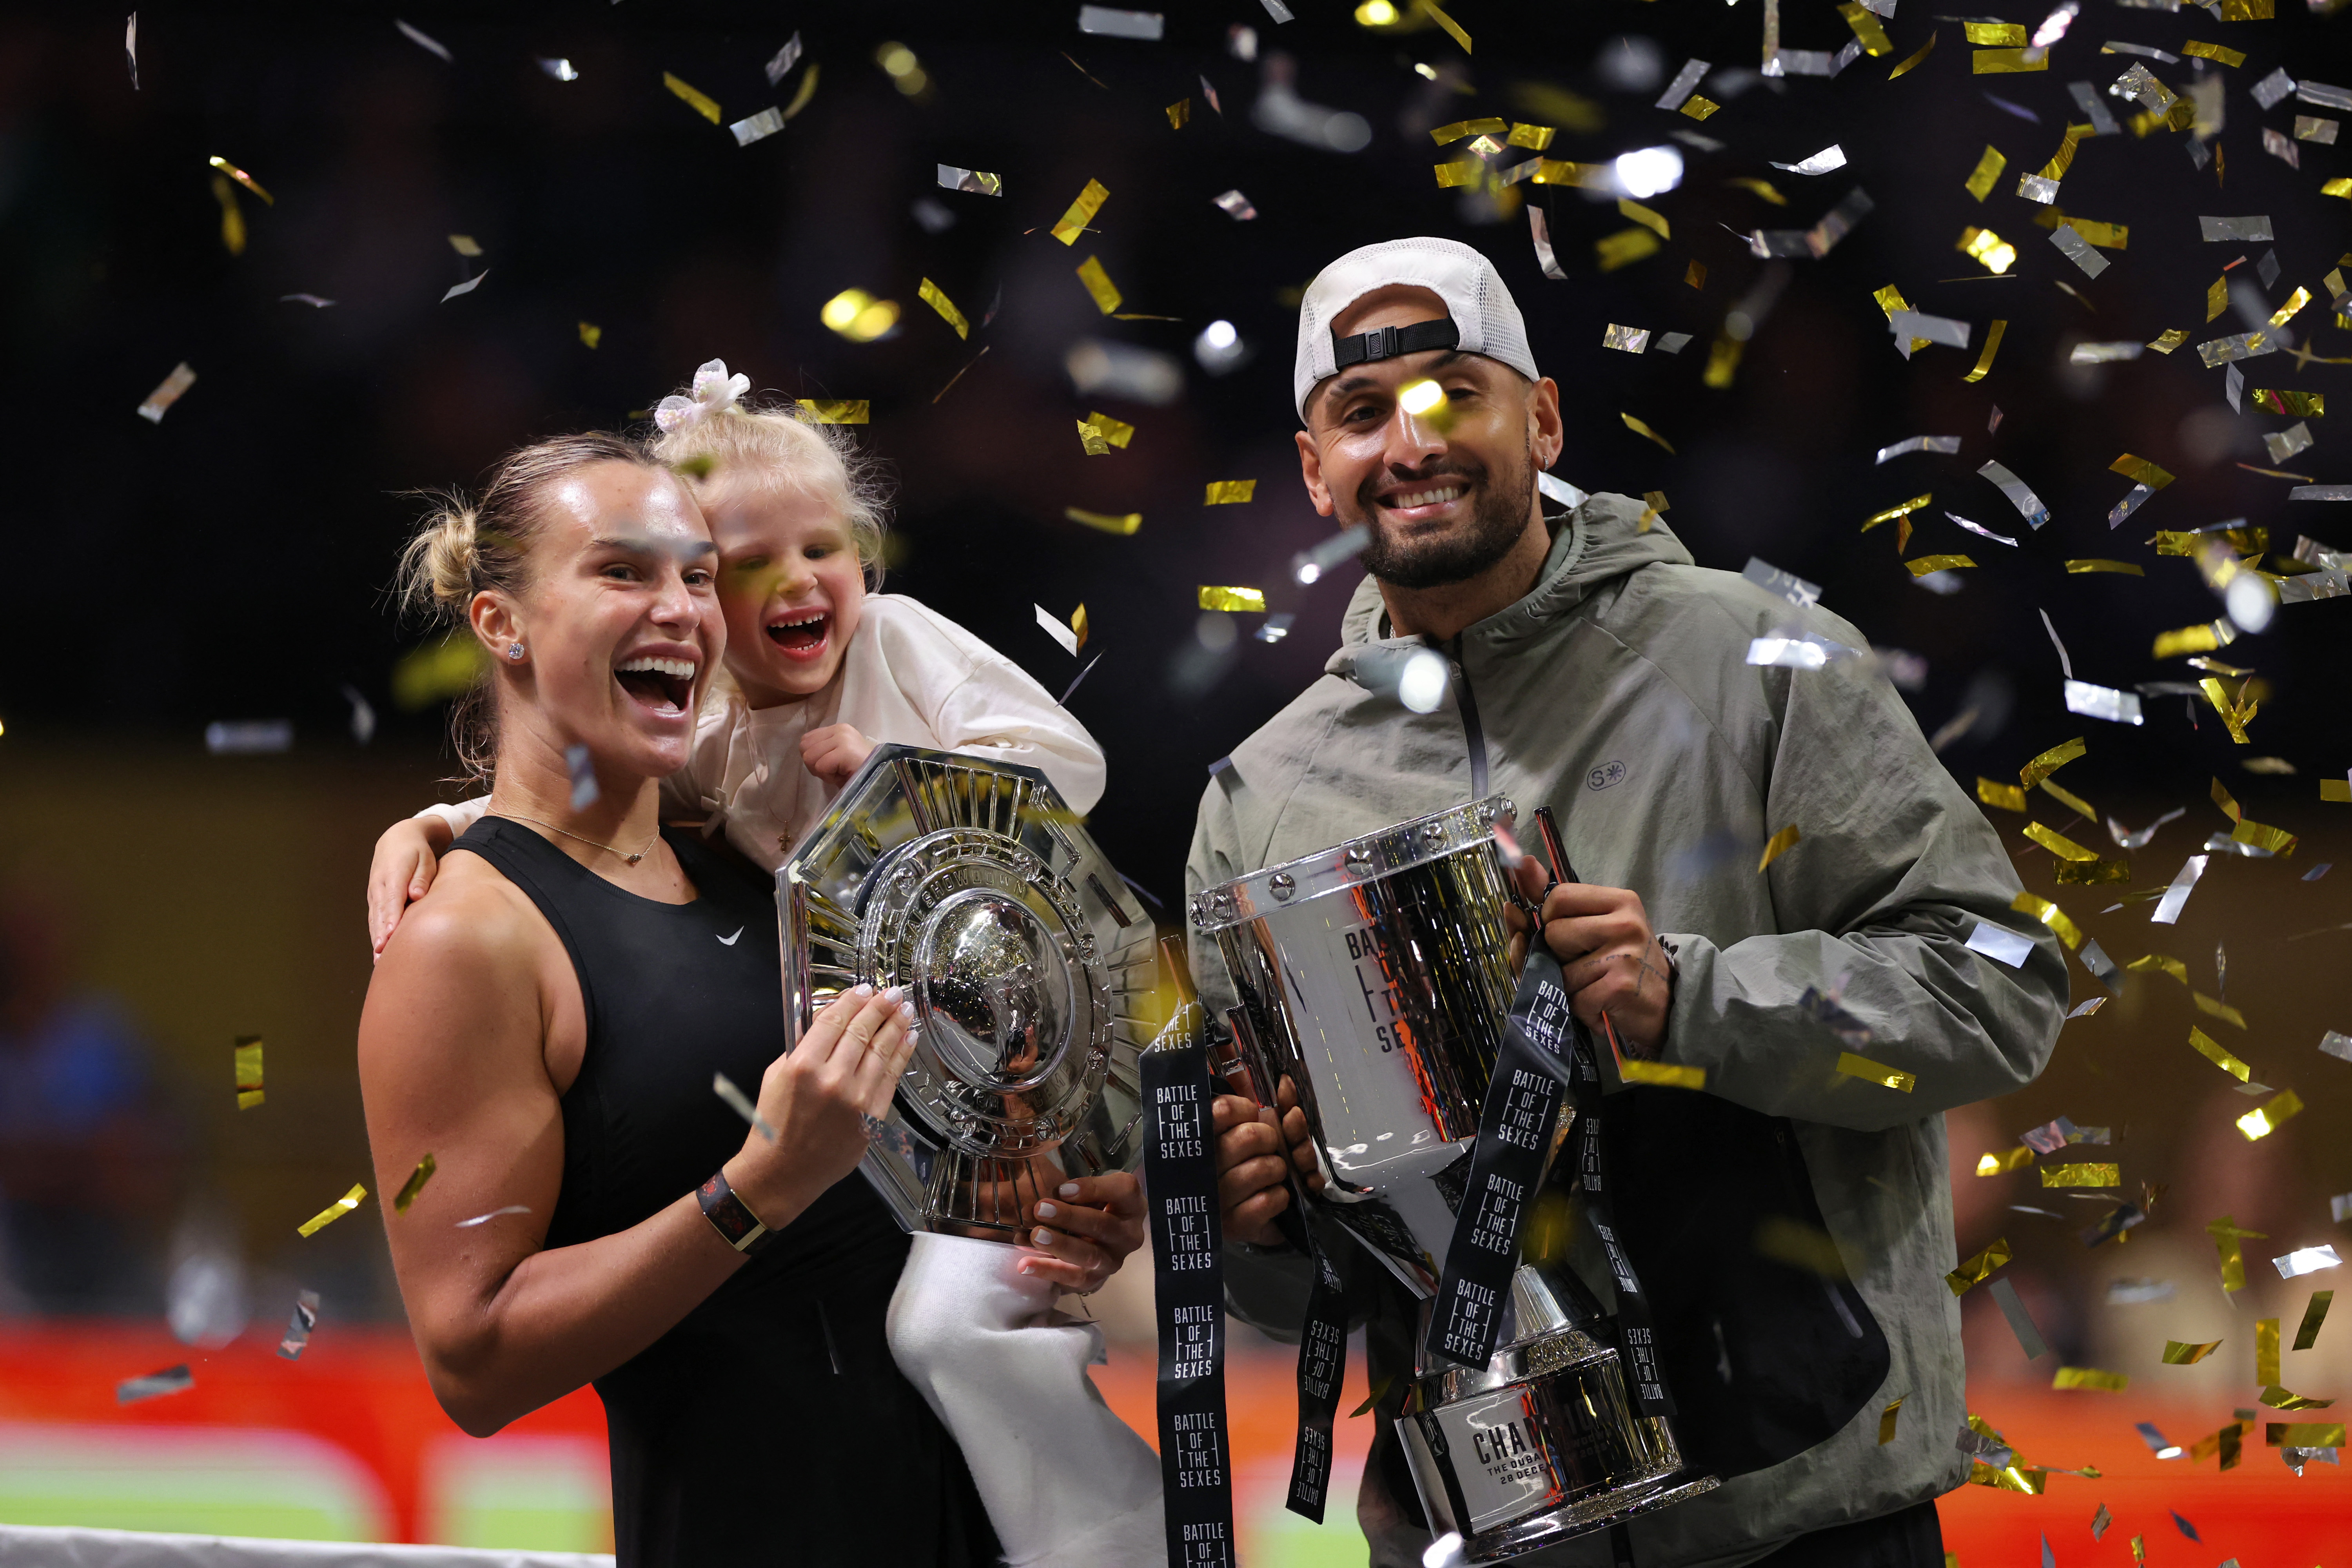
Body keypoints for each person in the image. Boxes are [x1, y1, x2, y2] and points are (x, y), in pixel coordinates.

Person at [1189, 238, 2066, 1566]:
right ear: (1316, 473)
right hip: (1482, 1533)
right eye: (1363, 414)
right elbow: (1298, 1285)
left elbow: (2000, 990)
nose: (1411, 443)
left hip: (1801, 1518)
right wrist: (1255, 1211)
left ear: (1542, 417)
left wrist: (1693, 999)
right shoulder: (1257, 802)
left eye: (1452, 394)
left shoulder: (1762, 666)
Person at [365, 379, 1161, 1567]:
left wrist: (1056, 1196)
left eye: (696, 575)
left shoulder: (761, 850)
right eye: (626, 573)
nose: (685, 609)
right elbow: (471, 1364)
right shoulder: (469, 934)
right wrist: (758, 1191)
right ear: (501, 624)